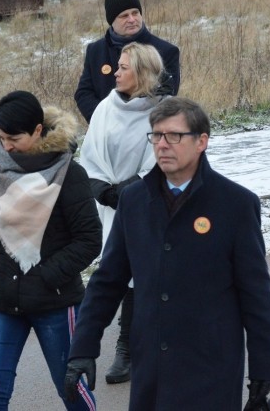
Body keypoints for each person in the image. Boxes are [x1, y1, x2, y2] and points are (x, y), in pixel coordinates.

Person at [65, 97, 270, 411]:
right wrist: (83, 347)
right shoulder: (135, 201)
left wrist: (264, 367)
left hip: (212, 367)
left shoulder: (235, 204)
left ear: (201, 142)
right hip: (152, 367)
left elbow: (255, 293)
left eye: (174, 136)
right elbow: (107, 281)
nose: (163, 144)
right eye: (157, 135)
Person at [0, 91, 101, 411]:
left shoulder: (70, 175)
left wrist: (45, 275)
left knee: (71, 390)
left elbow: (88, 239)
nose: (6, 146)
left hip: (55, 301)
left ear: (38, 131)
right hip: (1, 300)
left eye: (14, 138)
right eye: (1, 138)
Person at [78, 42, 168, 385]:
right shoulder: (105, 107)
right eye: (117, 66)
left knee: (140, 277)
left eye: (123, 67)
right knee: (114, 272)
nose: (115, 72)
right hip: (109, 204)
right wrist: (102, 189)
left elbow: (161, 158)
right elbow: (92, 152)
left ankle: (127, 348)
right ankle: (102, 346)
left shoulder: (161, 111)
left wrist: (133, 189)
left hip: (146, 205)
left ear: (142, 72)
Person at [74, 0, 180, 122]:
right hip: (105, 127)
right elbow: (84, 93)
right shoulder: (95, 51)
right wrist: (104, 119)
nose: (132, 19)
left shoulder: (165, 51)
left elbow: (166, 95)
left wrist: (134, 121)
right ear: (112, 20)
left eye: (135, 13)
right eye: (124, 16)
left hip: (147, 129)